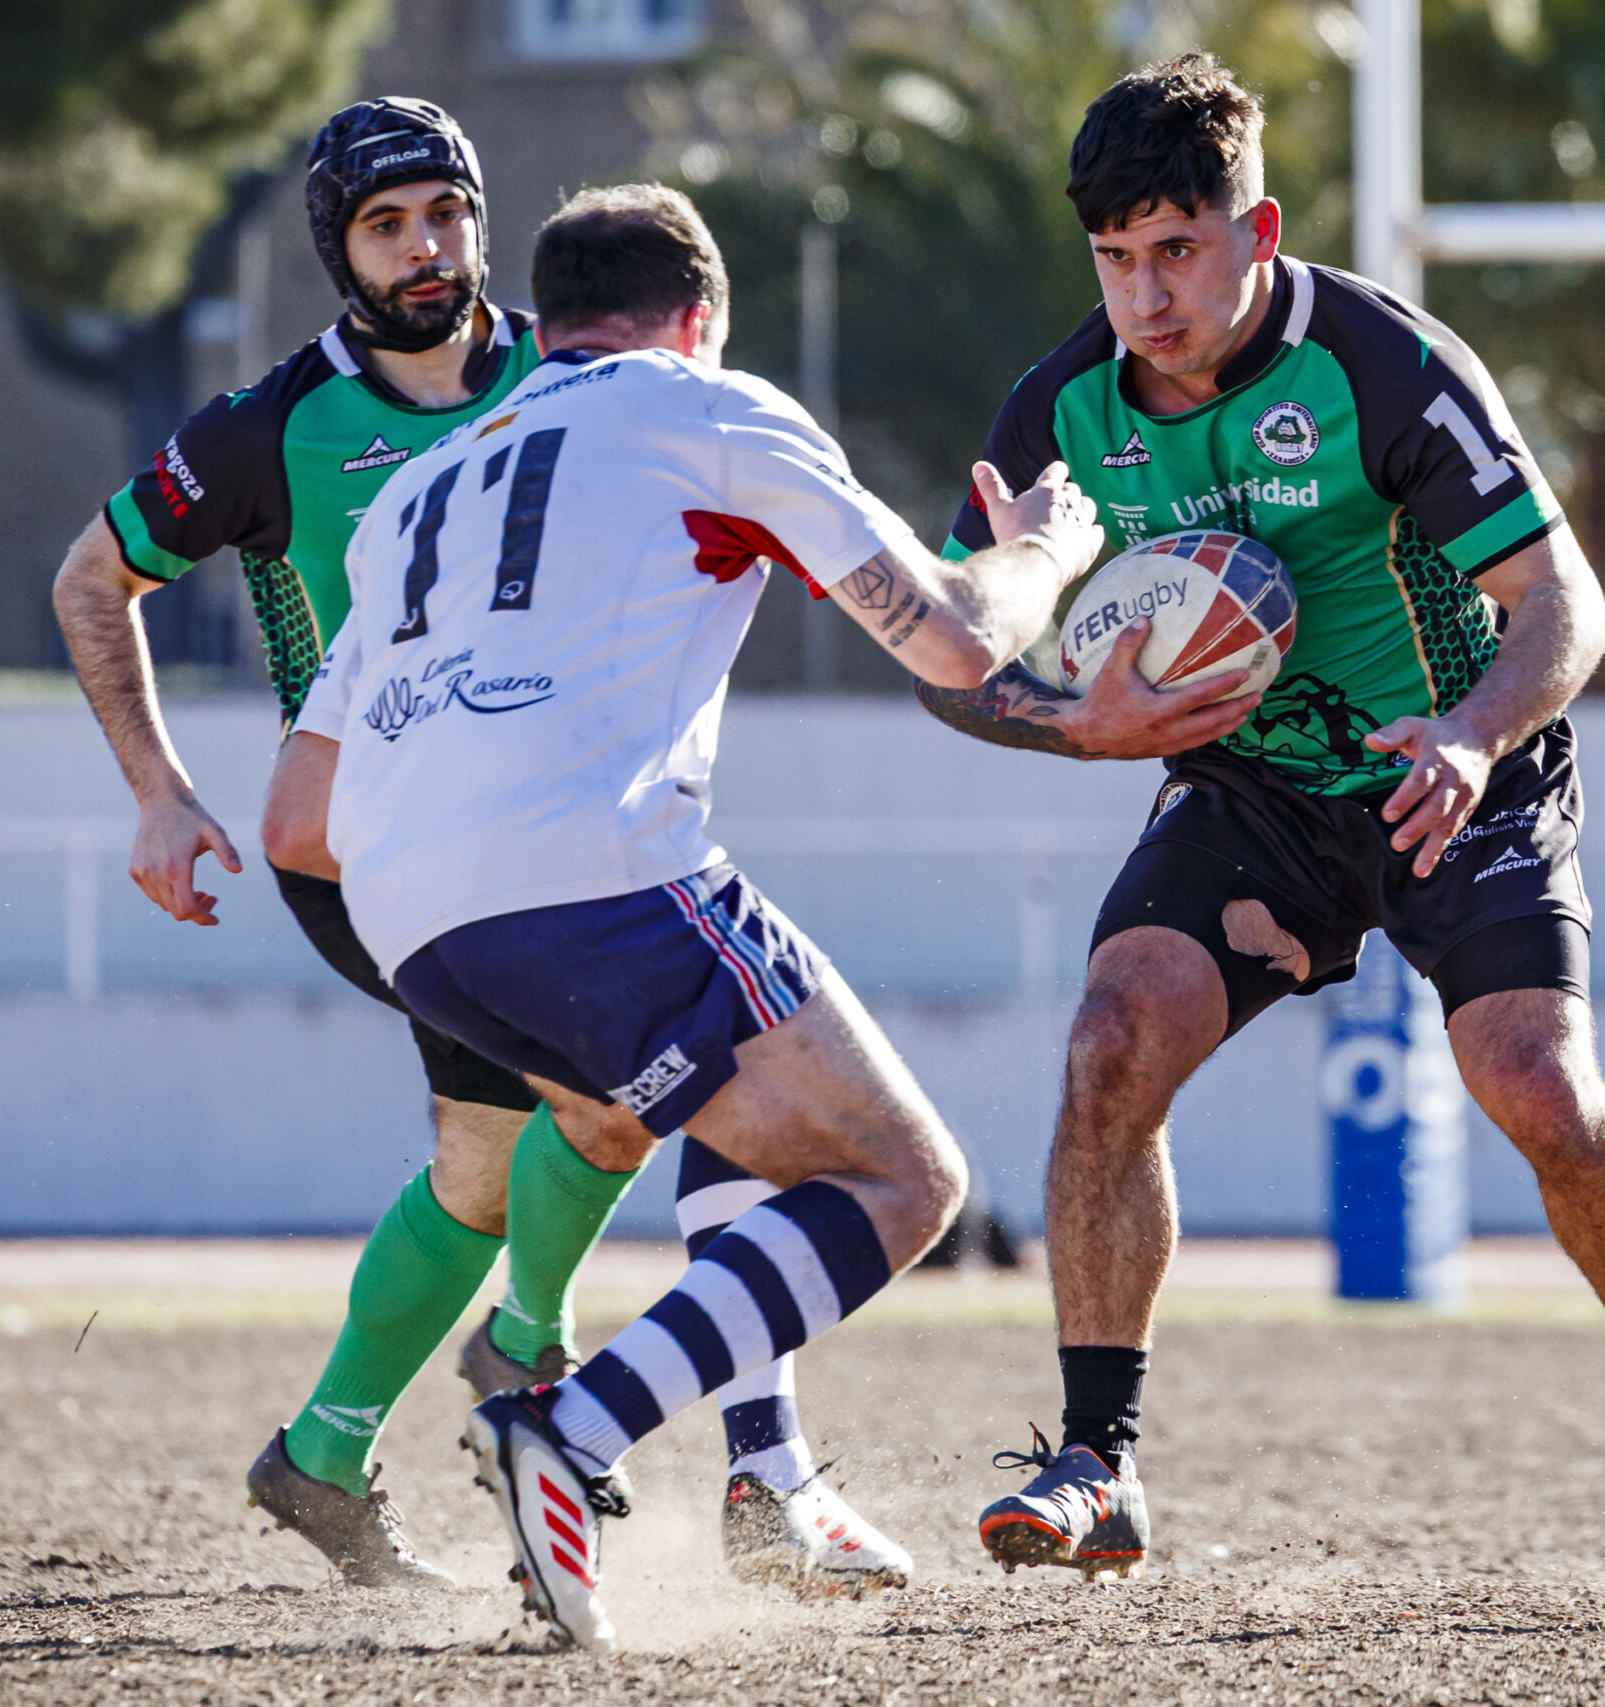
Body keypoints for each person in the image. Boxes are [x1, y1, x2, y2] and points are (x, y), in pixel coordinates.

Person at [914, 54, 1605, 1577]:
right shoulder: (1061, 414)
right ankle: (1096, 1459)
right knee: (1108, 1045)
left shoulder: (1381, 362)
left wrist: (1476, 740)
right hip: (1256, 793)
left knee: (1535, 1084)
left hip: (1448, 765)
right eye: (1117, 260)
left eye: (1179, 251)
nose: (1147, 294)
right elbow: (949, 652)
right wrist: (1071, 722)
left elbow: (1563, 602)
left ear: (1255, 228)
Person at [52, 101, 908, 1596]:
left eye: (446, 211)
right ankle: (529, 1374)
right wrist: (157, 792)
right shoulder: (273, 427)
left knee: (542, 1139)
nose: (426, 246)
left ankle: (357, 1439)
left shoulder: (573, 364)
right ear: (340, 252)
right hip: (370, 847)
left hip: (549, 830)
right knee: (558, 1128)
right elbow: (89, 577)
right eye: (388, 225)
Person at [281, 183, 1104, 1650]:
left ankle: (765, 1482)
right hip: (584, 874)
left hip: (409, 923)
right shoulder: (703, 408)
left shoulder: (418, 491)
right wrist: (1048, 547)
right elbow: (964, 640)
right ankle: (574, 1426)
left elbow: (296, 822)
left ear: (545, 325)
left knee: (740, 1109)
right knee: (907, 1181)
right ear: (701, 318)